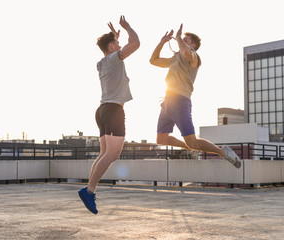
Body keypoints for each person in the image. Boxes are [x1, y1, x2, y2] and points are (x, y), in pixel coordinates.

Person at [149, 24, 241, 168]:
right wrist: (162, 42)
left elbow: (186, 53)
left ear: (193, 45)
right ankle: (189, 148)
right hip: (167, 102)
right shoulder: (175, 58)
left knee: (192, 140)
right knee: (161, 139)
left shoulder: (194, 57)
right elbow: (153, 60)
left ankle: (222, 152)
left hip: (180, 101)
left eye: (186, 40)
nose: (181, 41)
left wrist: (178, 37)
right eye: (182, 39)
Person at [78, 16, 140, 214]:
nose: (120, 45)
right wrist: (127, 27)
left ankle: (89, 189)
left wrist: (113, 36)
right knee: (112, 154)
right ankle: (89, 191)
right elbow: (136, 43)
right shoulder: (115, 57)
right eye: (117, 43)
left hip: (103, 110)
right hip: (113, 110)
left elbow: (113, 47)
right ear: (112, 46)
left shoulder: (101, 62)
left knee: (104, 154)